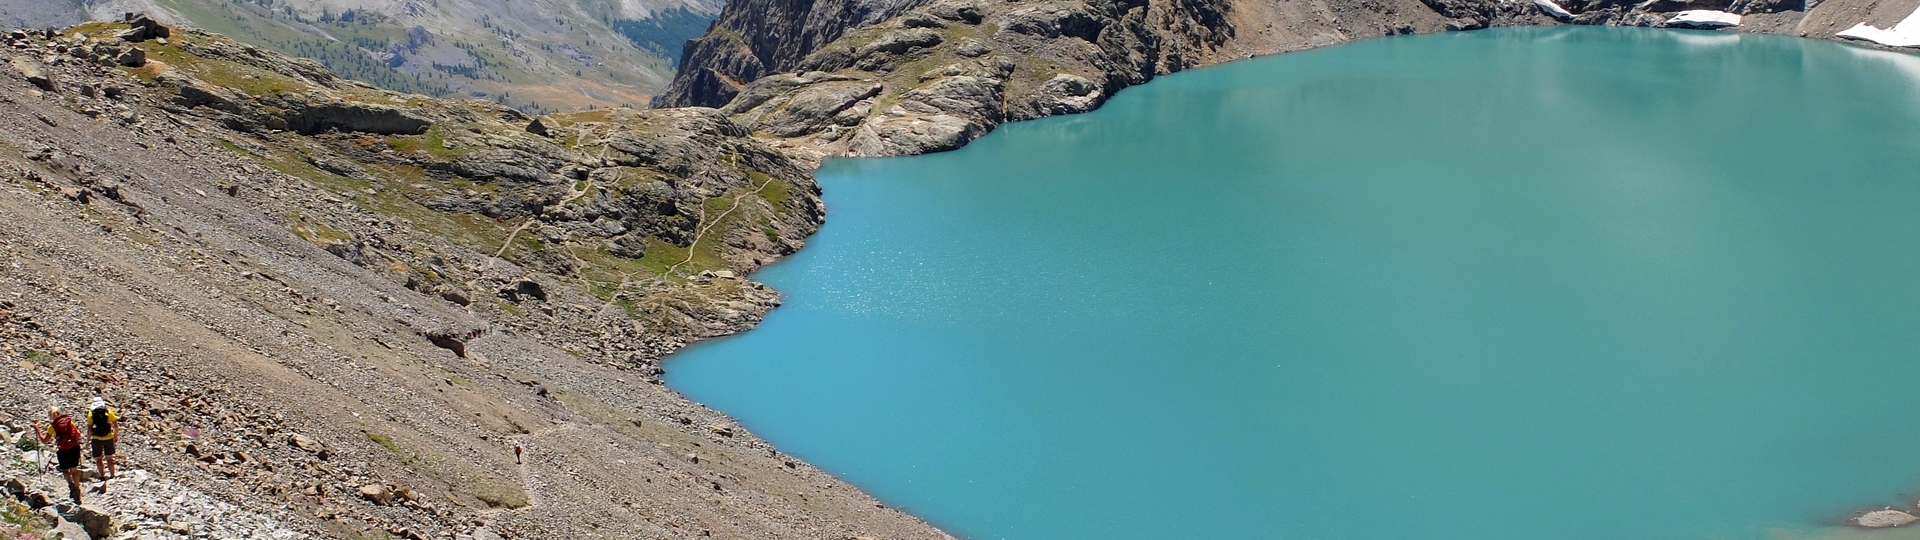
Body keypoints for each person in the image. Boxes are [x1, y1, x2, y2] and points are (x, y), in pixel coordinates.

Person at [37, 406, 83, 505]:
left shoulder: (52, 426)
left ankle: (71, 485)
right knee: (74, 470)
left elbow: (45, 441)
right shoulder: (69, 422)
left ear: (51, 416)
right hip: (74, 448)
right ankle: (77, 489)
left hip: (63, 450)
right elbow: (78, 434)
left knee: (65, 470)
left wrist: (37, 430)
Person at [86, 397, 119, 486]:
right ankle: (112, 475)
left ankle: (102, 476)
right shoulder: (108, 412)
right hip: (108, 438)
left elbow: (89, 430)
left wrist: (88, 441)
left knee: (98, 459)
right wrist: (115, 436)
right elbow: (116, 426)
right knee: (109, 458)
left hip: (96, 439)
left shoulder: (91, 414)